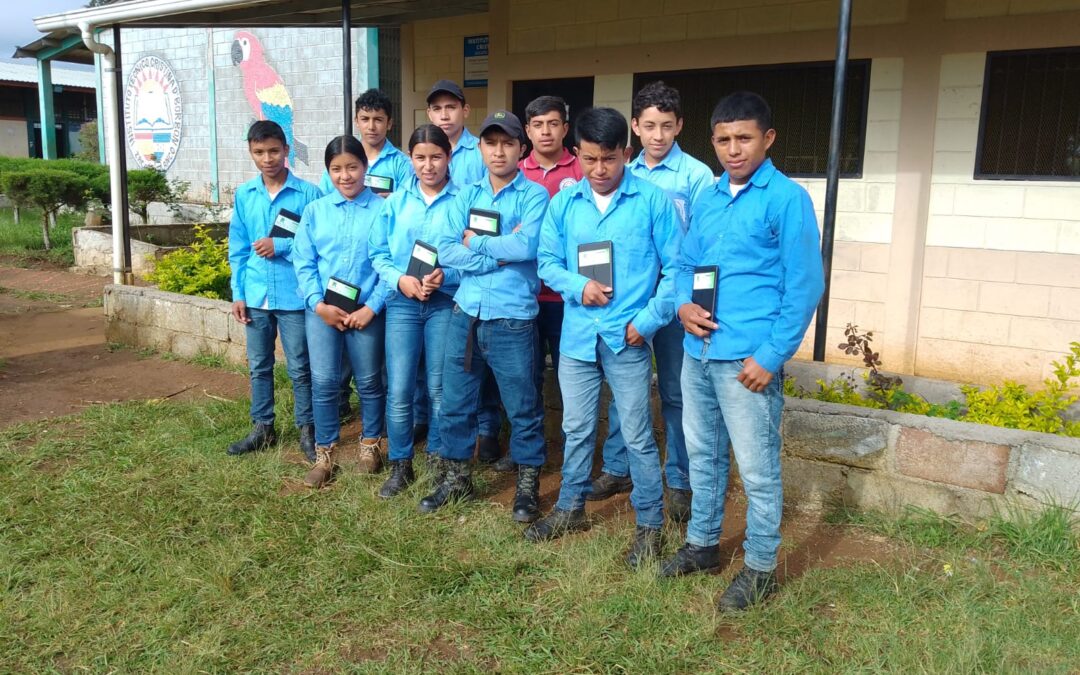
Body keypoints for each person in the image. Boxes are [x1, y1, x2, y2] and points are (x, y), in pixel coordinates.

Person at [660, 91, 824, 611]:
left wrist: (771, 356)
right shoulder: (707, 197)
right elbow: (686, 263)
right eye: (724, 140)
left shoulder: (786, 199)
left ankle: (759, 566)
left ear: (768, 139)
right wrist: (684, 306)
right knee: (703, 456)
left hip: (747, 362)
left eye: (744, 138)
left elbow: (804, 286)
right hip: (698, 351)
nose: (734, 149)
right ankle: (704, 544)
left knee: (756, 470)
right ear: (711, 141)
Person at [529, 107, 680, 568]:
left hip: (628, 339)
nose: (599, 170)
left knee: (635, 435)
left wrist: (647, 322)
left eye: (609, 160)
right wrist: (578, 287)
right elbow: (547, 262)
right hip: (577, 338)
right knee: (575, 429)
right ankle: (571, 508)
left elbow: (678, 273)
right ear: (578, 154)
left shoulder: (654, 203)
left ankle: (650, 526)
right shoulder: (565, 203)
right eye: (590, 159)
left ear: (626, 154)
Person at [593, 81, 716, 522]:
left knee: (675, 392)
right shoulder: (623, 171)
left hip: (675, 302)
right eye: (649, 126)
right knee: (624, 390)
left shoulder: (697, 177)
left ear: (680, 125)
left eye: (667, 126)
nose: (658, 135)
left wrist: (690, 301)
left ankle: (679, 480)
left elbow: (703, 245)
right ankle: (617, 467)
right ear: (636, 129)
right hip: (627, 304)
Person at [425, 110, 549, 522]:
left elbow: (528, 246)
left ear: (521, 148)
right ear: (480, 148)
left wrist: (476, 243)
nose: (499, 151)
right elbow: (445, 248)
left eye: (508, 143)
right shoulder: (466, 195)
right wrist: (495, 254)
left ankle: (527, 484)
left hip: (512, 319)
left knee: (523, 406)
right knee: (457, 402)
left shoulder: (533, 196)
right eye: (491, 143)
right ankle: (457, 476)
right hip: (466, 312)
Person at [368, 124, 461, 499]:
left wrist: (447, 274)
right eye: (420, 157)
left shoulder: (463, 201)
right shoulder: (394, 204)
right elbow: (379, 254)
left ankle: (438, 458)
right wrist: (400, 280)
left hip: (443, 303)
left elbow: (471, 252)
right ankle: (401, 463)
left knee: (440, 388)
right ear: (410, 159)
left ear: (448, 157)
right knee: (401, 386)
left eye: (436, 157)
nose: (428, 165)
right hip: (403, 304)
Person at [293, 135, 388, 488]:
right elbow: (304, 262)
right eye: (336, 169)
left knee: (369, 381)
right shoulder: (315, 212)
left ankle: (370, 445)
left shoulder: (382, 210)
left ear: (365, 167)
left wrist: (372, 307)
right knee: (324, 382)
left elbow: (387, 266)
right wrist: (318, 305)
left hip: (366, 314)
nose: (345, 176)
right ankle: (325, 453)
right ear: (328, 172)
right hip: (323, 313)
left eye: (352, 167)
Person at [226, 120, 321, 461]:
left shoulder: (308, 195)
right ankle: (262, 427)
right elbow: (237, 248)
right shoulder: (245, 195)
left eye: (274, 151)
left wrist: (279, 245)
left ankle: (307, 430)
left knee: (300, 365)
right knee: (259, 365)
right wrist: (238, 292)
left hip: (294, 295)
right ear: (251, 153)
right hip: (255, 294)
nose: (267, 158)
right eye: (259, 152)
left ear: (286, 150)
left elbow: (319, 243)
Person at [316, 88, 412, 422]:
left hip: (375, 280)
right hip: (334, 282)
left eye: (378, 119)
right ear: (357, 120)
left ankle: (378, 424)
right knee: (332, 368)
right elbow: (326, 211)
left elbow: (403, 216)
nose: (371, 126)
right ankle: (339, 409)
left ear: (389, 122)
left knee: (375, 365)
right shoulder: (340, 161)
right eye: (365, 118)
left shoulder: (401, 164)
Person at [425, 79, 502, 458]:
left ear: (464, 111)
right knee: (459, 367)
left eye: (450, 107)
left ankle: (487, 430)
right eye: (437, 108)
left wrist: (482, 251)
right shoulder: (425, 149)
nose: (444, 114)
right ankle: (454, 437)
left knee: (484, 364)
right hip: (448, 269)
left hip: (482, 274)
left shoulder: (481, 149)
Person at [508, 95, 584, 475]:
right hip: (523, 294)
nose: (546, 131)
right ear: (527, 131)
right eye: (537, 125)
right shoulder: (515, 173)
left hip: (566, 296)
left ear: (565, 129)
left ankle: (574, 452)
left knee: (569, 376)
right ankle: (528, 453)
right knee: (526, 376)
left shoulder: (582, 169)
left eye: (553, 124)